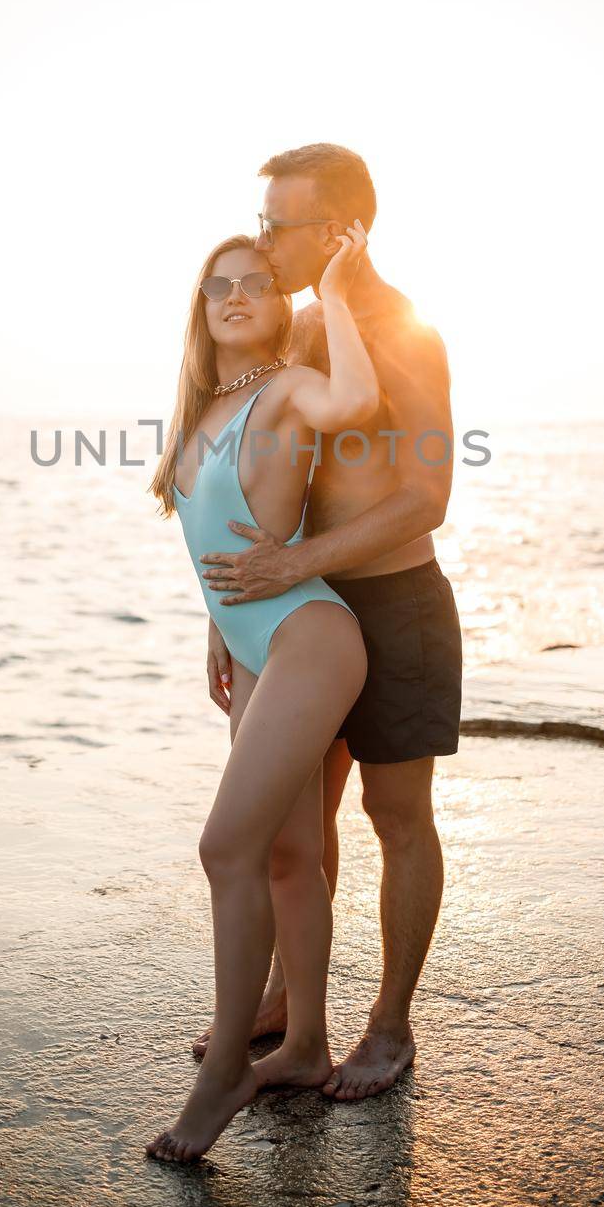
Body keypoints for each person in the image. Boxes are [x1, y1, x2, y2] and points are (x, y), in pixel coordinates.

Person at [193, 143, 462, 1101]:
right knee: (295, 823)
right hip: (301, 609)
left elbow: (426, 495)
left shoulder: (408, 336)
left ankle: (389, 1027)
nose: (262, 240)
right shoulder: (295, 329)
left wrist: (290, 565)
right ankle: (285, 1006)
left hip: (395, 606)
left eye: (279, 223)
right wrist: (233, 610)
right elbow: (259, 473)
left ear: (342, 229)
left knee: (396, 817)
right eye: (258, 219)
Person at [145, 222, 378, 1162]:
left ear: (278, 305)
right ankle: (308, 1040)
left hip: (310, 638)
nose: (235, 295)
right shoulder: (201, 405)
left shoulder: (283, 390)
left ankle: (225, 1078)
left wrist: (337, 289)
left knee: (224, 846)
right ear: (200, 310)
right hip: (252, 644)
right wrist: (217, 625)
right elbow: (221, 539)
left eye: (254, 283)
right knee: (286, 855)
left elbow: (356, 397)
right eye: (217, 286)